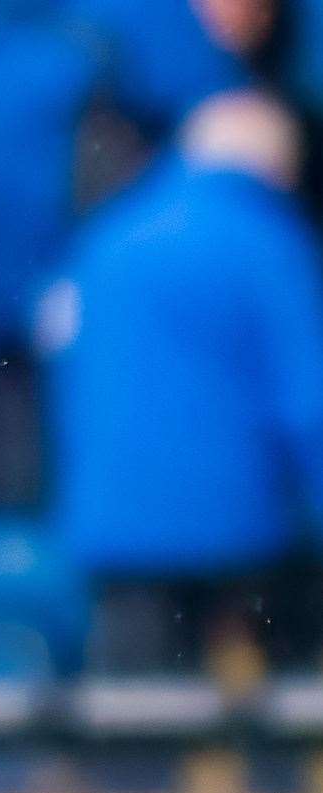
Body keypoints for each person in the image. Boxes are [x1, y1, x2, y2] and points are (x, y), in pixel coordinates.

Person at [39, 90, 323, 674]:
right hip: (239, 539)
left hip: (113, 528)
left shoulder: (107, 234)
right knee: (254, 734)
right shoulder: (270, 240)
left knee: (136, 731)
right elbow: (308, 399)